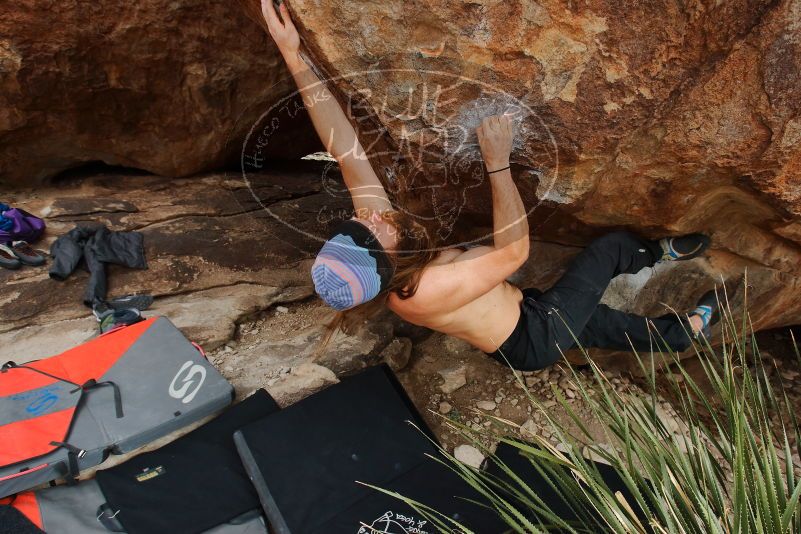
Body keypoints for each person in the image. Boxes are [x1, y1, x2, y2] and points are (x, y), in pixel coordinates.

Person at [259, 0, 719, 370]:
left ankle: (682, 335)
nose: (370, 216)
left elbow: (345, 150)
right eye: (369, 230)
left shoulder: (383, 239)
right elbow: (512, 253)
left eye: (356, 224)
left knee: (598, 323)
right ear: (387, 262)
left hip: (522, 314)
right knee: (609, 250)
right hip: (533, 336)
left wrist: (292, 55)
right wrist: (497, 164)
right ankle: (659, 254)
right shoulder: (420, 291)